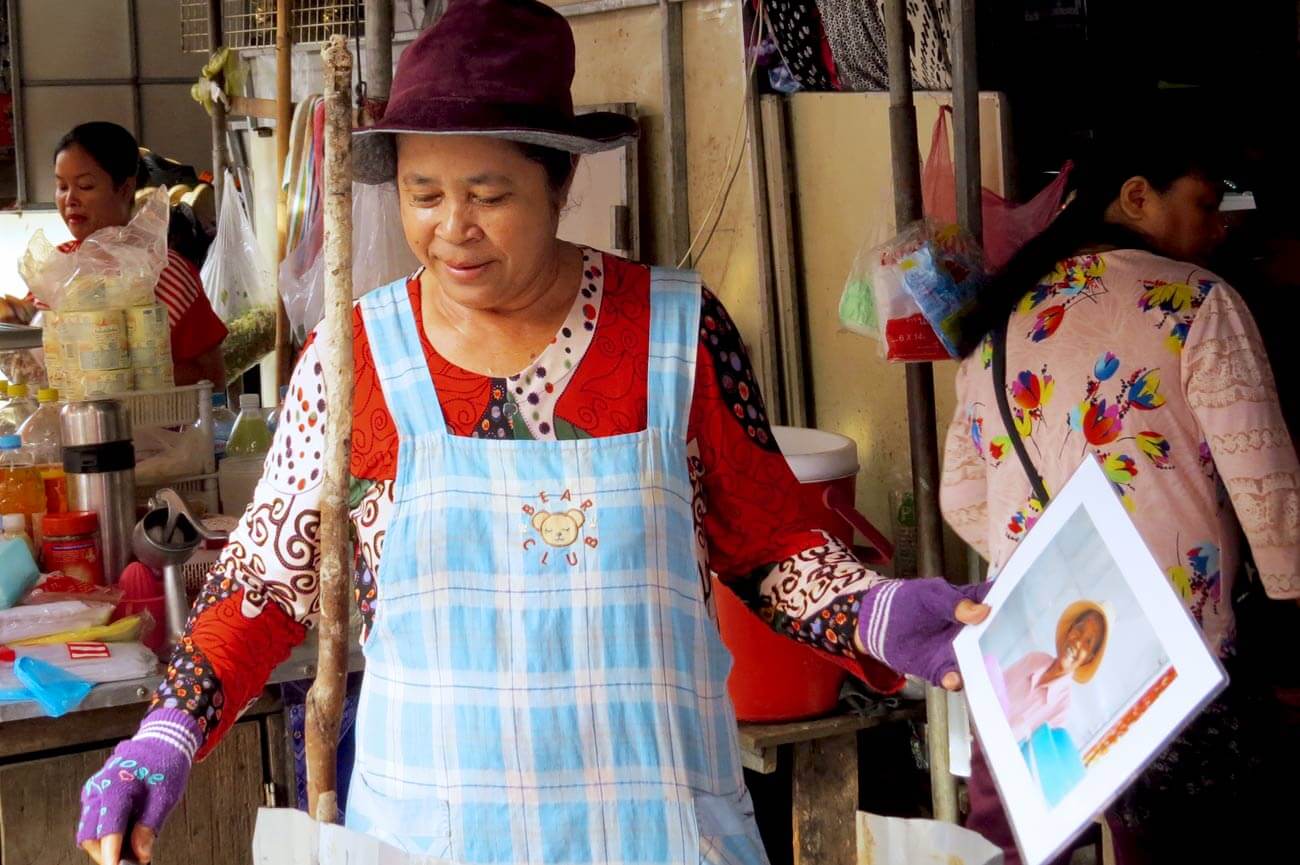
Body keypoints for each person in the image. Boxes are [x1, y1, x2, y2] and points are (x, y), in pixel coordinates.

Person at [74, 3, 990, 864]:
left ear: (560, 180)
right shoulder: (351, 359)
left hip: (659, 828)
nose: (452, 230)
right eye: (424, 193)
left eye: (488, 193)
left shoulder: (675, 332)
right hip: (432, 831)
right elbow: (269, 583)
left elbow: (770, 546)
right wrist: (169, 731)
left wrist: (874, 610)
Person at [941, 116, 1300, 864]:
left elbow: (964, 499)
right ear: (1136, 196)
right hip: (1174, 667)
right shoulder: (1196, 304)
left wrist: (1068, 553)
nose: (1220, 227)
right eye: (1205, 204)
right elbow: (1272, 504)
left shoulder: (1002, 319)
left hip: (1046, 672)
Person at [3, 122, 227, 387]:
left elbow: (212, 375)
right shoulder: (58, 265)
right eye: (62, 187)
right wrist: (11, 324)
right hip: (67, 425)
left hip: (149, 427)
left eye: (85, 186)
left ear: (125, 188)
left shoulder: (164, 271)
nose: (70, 200)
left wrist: (117, 378)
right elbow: (31, 370)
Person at [986, 601, 1109, 807]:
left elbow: (1023, 757)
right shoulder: (1035, 659)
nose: (1078, 642)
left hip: (990, 767)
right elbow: (994, 690)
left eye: (1088, 642)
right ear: (1069, 631)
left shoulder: (1061, 707)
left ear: (1089, 658)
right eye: (1078, 631)